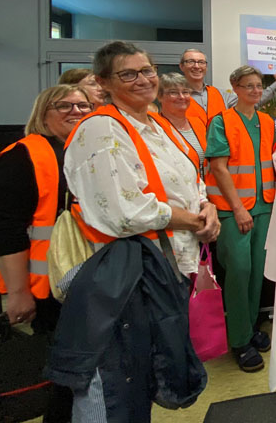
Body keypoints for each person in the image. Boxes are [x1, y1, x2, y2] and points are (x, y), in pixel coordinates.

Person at [62, 41, 219, 415]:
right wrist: (191, 219)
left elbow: (189, 179)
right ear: (103, 82)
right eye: (127, 74)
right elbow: (123, 211)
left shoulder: (159, 124)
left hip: (167, 269)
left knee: (148, 376)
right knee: (119, 388)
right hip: (127, 279)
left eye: (146, 70)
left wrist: (206, 206)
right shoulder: (100, 129)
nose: (142, 80)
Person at [0, 84, 93, 422]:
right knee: (62, 378)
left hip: (87, 281)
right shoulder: (22, 156)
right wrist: (18, 292)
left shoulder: (85, 152)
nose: (76, 112)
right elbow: (7, 231)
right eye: (64, 106)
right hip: (47, 289)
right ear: (42, 113)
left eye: (83, 106)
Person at [204, 65, 276, 372]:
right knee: (238, 271)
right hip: (234, 210)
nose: (255, 91)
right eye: (249, 86)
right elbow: (219, 168)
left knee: (257, 271)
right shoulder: (221, 122)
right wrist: (237, 208)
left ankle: (248, 329)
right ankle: (239, 340)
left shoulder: (266, 121)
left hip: (264, 206)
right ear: (234, 87)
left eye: (259, 86)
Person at [180, 48, 276, 125]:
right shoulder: (174, 98)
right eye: (191, 61)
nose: (197, 66)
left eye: (201, 62)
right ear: (181, 66)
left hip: (222, 151)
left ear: (206, 67)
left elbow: (250, 100)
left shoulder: (221, 95)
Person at [158, 72, 207, 177]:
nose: (181, 97)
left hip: (205, 190)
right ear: (159, 96)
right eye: (173, 92)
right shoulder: (155, 125)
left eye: (185, 92)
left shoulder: (198, 123)